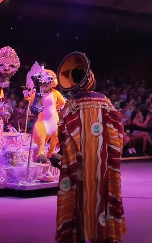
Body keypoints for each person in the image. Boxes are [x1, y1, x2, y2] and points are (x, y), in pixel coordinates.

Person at [49, 52, 126, 243]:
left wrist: (68, 155)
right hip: (102, 164)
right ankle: (102, 235)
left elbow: (63, 133)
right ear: (90, 78)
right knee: (101, 197)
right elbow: (118, 132)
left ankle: (80, 236)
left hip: (78, 166)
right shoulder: (105, 102)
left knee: (79, 199)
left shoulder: (71, 105)